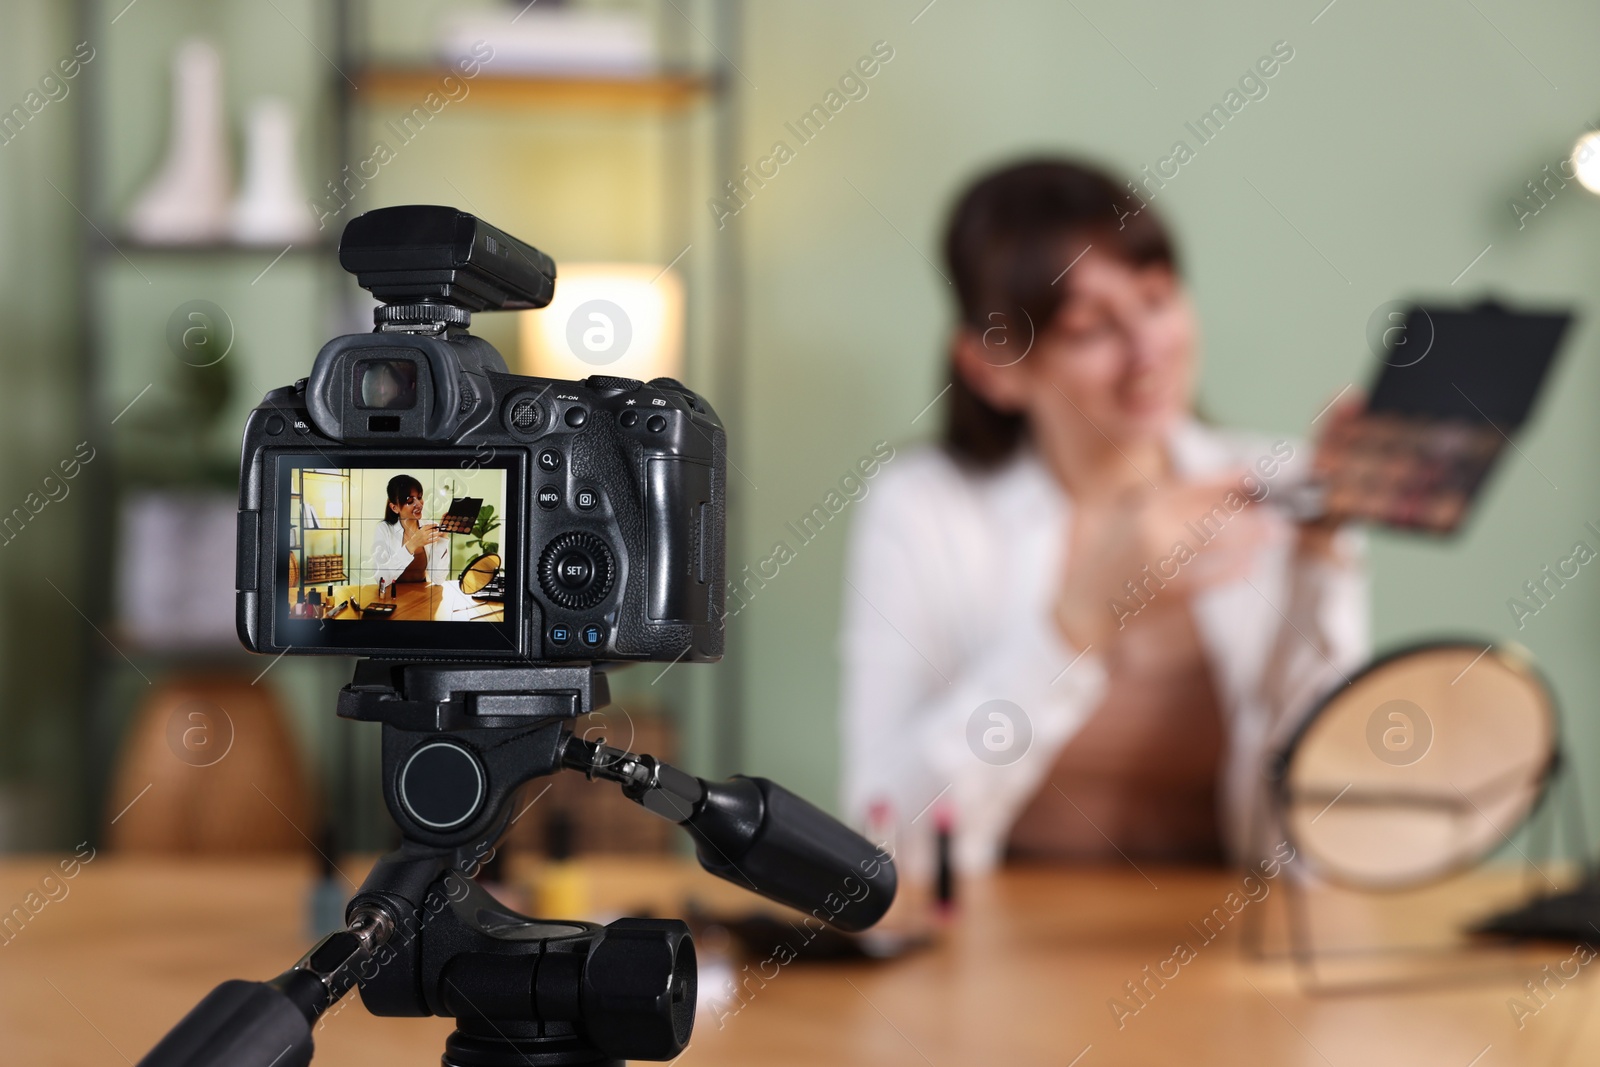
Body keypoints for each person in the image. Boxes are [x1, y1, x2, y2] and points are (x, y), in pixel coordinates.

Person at [839, 159, 1368, 875]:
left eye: (1157, 299)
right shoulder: (923, 506)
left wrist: (1320, 560)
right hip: (996, 957)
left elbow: (1313, 836)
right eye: (1091, 328)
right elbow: (886, 830)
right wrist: (1075, 623)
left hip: (1229, 955)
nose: (1148, 352)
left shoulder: (1282, 488)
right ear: (995, 365)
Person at [370, 474, 450, 587]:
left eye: (420, 497)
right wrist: (412, 545)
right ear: (394, 507)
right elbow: (381, 580)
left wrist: (443, 537)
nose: (419, 504)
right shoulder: (384, 529)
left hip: (422, 597)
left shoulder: (430, 527)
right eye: (410, 501)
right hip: (392, 596)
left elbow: (438, 579)